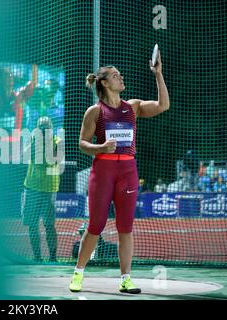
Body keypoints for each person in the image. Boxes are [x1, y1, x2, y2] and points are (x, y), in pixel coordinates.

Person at [69, 51, 170, 294]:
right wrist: (101, 147)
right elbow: (82, 143)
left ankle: (126, 279)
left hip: (128, 170)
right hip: (103, 170)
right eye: (116, 75)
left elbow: (163, 105)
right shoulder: (94, 111)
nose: (121, 77)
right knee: (96, 225)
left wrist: (158, 73)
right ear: (104, 83)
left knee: (126, 227)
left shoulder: (132, 107)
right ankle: (78, 274)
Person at [21, 116, 62, 262]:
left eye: (46, 128)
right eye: (42, 128)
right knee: (32, 224)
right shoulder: (33, 141)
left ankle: (53, 258)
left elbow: (56, 159)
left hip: (48, 188)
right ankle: (37, 257)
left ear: (51, 129)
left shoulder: (57, 141)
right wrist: (35, 142)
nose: (44, 131)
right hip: (32, 186)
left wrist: (46, 144)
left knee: (49, 224)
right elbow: (24, 156)